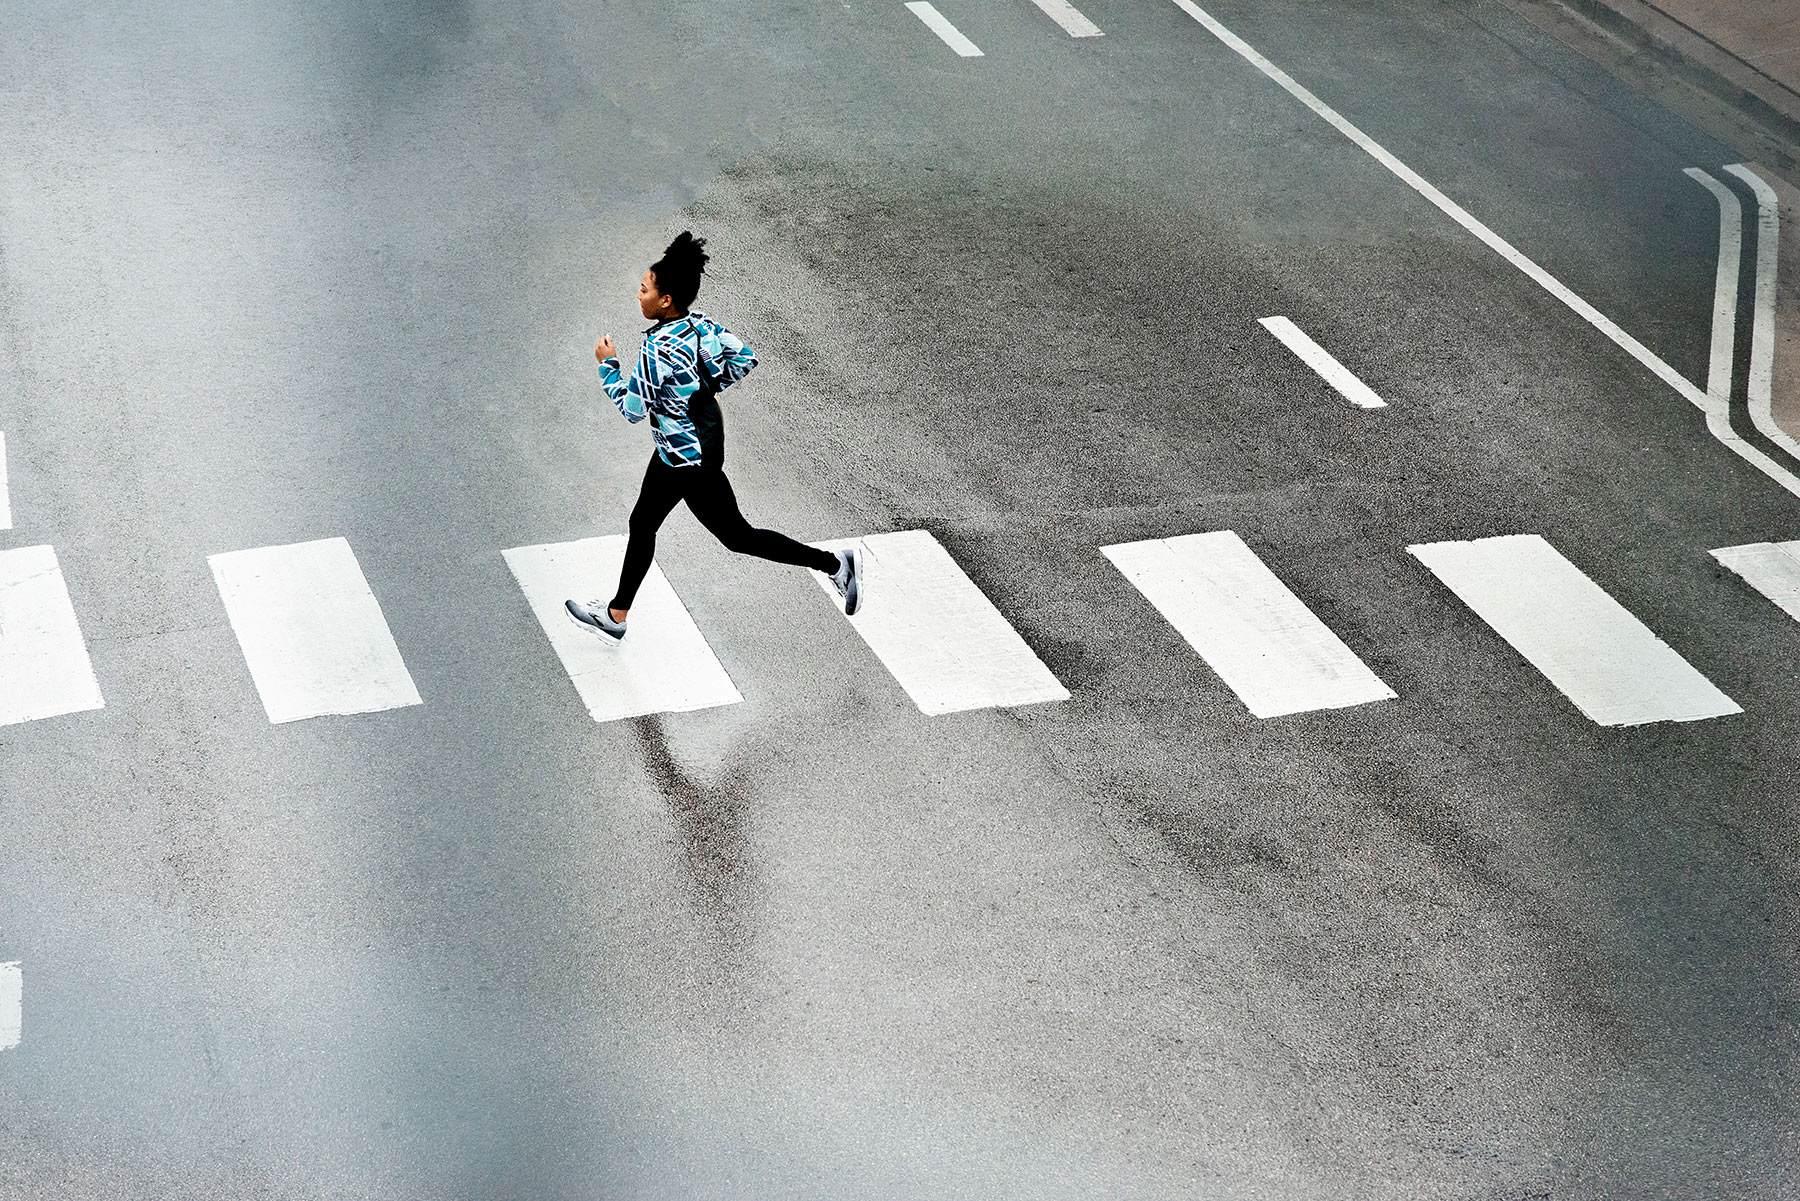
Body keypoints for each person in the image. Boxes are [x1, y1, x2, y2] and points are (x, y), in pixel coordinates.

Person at [566, 231, 862, 644]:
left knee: (738, 537)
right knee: (643, 523)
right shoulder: (700, 325)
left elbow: (632, 409)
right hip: (679, 451)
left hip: (690, 463)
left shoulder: (656, 351)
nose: (638, 295)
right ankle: (616, 615)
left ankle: (834, 564)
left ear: (665, 300)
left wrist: (608, 365)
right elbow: (744, 357)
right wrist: (700, 389)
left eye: (644, 288)